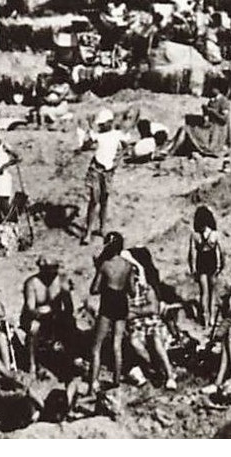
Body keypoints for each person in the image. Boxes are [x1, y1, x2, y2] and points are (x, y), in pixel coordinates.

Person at [87, 232, 135, 393]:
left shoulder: (105, 265)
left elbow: (94, 289)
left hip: (108, 303)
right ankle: (116, 380)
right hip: (122, 302)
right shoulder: (128, 266)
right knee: (117, 344)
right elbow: (132, 291)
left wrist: (99, 272)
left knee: (96, 346)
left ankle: (93, 381)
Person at [125, 247, 177, 389]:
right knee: (135, 342)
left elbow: (153, 308)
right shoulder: (123, 294)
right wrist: (143, 311)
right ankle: (157, 368)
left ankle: (170, 375)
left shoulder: (146, 288)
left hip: (153, 325)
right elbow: (125, 314)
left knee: (155, 338)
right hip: (137, 328)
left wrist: (133, 311)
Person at [21, 256, 76, 380]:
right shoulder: (32, 283)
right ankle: (32, 365)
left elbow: (69, 307)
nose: (53, 272)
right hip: (36, 317)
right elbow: (30, 308)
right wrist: (42, 314)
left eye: (55, 268)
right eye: (50, 269)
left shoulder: (62, 281)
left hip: (55, 315)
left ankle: (70, 360)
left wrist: (56, 314)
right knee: (34, 328)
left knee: (70, 323)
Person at [80, 109, 122, 245]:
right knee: (94, 200)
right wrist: (89, 135)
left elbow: (123, 148)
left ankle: (102, 228)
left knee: (104, 199)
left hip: (108, 170)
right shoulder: (98, 135)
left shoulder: (116, 135)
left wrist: (117, 161)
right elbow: (85, 146)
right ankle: (88, 231)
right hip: (97, 168)